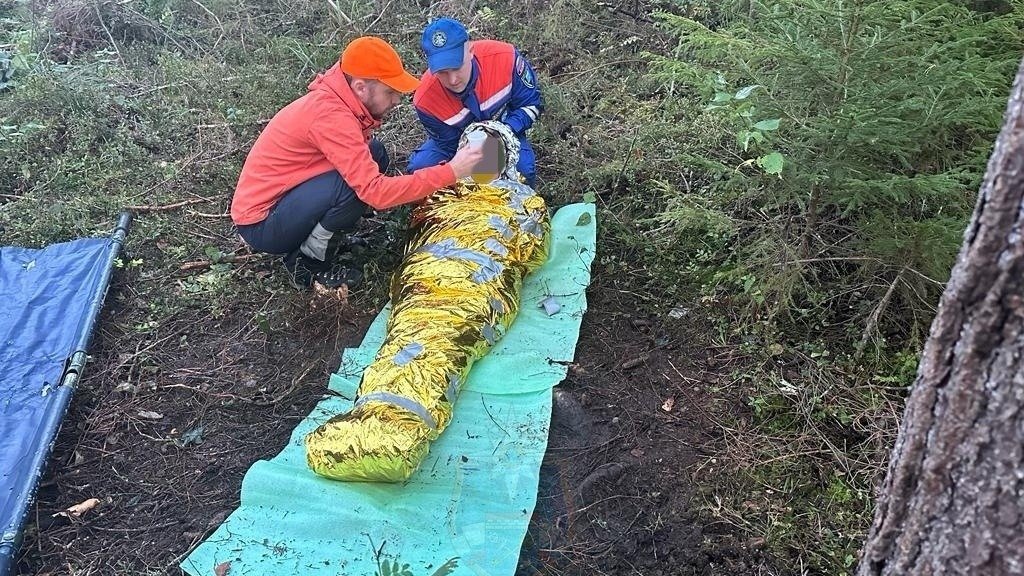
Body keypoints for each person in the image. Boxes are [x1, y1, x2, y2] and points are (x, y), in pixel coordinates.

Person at [230, 36, 484, 290]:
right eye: (390, 92)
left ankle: (322, 237)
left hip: (286, 201)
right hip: (263, 223)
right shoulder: (332, 116)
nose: (396, 100)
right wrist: (452, 171)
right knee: (352, 188)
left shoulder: (341, 101)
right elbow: (376, 193)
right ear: (361, 87)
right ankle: (309, 266)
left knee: (375, 153)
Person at [407, 18, 543, 186]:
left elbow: (531, 104)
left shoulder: (505, 59)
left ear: (470, 51)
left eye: (457, 67)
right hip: (458, 144)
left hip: (507, 131)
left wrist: (505, 132)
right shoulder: (425, 99)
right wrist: (465, 167)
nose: (453, 79)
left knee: (523, 169)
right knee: (421, 168)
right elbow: (448, 144)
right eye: (442, 72)